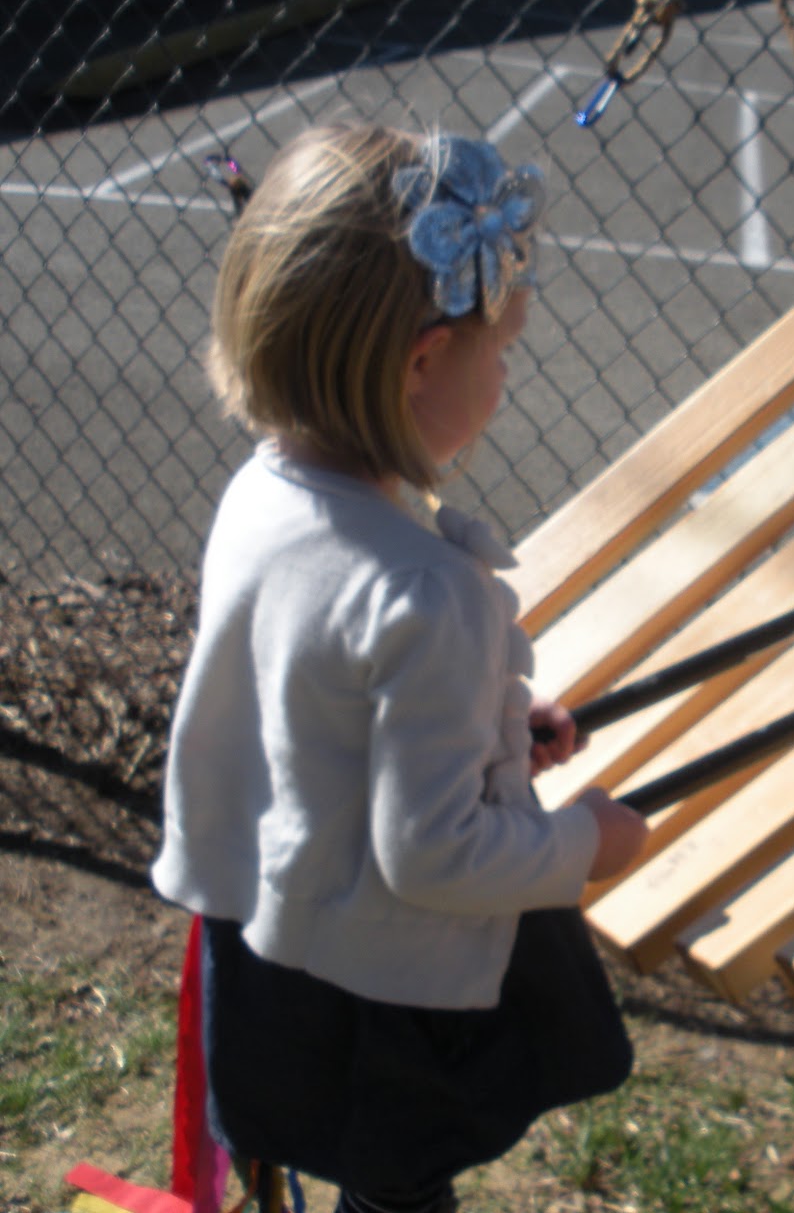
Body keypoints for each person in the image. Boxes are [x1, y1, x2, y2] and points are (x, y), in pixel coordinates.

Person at [151, 123, 649, 1213]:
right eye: (501, 344)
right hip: (385, 989)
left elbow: (312, 697)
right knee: (397, 1181)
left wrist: (493, 719)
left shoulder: (262, 494)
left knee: (314, 1139)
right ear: (423, 359)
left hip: (265, 938)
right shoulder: (428, 588)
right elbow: (431, 852)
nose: (509, 372)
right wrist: (582, 845)